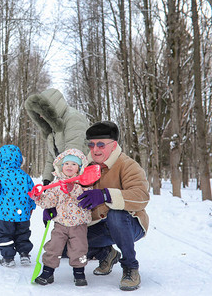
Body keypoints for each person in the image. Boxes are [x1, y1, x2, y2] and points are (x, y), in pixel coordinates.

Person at [77, 121, 150, 291]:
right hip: (97, 224)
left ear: (113, 145)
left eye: (101, 144)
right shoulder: (84, 167)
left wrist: (105, 195)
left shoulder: (127, 165)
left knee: (116, 215)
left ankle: (130, 267)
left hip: (129, 224)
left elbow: (141, 196)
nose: (95, 150)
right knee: (67, 242)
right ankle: (107, 253)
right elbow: (69, 191)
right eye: (92, 144)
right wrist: (54, 206)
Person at [25, 88, 89, 257]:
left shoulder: (73, 119)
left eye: (42, 113)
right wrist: (46, 183)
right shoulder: (53, 130)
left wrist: (55, 193)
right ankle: (70, 246)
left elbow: (72, 157)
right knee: (65, 218)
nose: (40, 117)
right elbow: (51, 158)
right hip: (65, 180)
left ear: (51, 109)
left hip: (80, 179)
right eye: (37, 114)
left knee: (79, 219)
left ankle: (101, 250)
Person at [30, 148, 92, 286]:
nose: (69, 166)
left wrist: (73, 189)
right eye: (66, 163)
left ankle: (79, 273)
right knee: (53, 247)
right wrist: (38, 197)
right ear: (61, 166)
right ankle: (47, 272)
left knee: (79, 249)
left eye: (74, 164)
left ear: (79, 168)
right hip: (60, 224)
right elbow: (49, 202)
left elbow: (86, 200)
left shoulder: (83, 184)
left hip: (78, 224)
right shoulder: (55, 185)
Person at [0, 144, 36, 268]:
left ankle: (8, 257)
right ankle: (24, 254)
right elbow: (32, 193)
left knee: (4, 234)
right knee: (23, 233)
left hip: (5, 215)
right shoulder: (25, 176)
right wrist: (32, 207)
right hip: (23, 214)